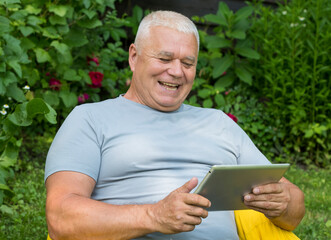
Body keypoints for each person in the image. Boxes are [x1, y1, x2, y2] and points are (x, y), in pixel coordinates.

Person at [45, 10, 305, 240]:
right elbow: (60, 218)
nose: (177, 72)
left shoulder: (218, 122)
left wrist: (283, 203)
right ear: (134, 57)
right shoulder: (90, 119)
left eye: (188, 63)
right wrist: (154, 216)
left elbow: (293, 210)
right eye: (165, 59)